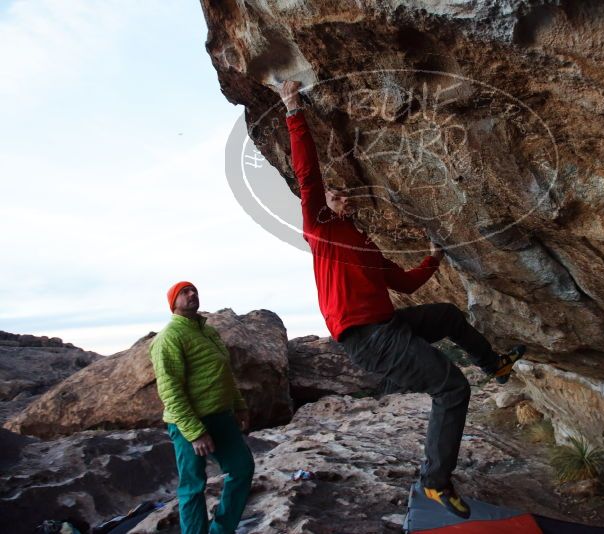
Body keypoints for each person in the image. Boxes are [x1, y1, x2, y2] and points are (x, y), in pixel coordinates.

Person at [275, 80, 525, 519]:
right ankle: (434, 482)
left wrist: (432, 259)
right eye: (334, 194)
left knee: (446, 315)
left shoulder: (364, 244)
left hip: (389, 325)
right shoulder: (321, 230)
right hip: (366, 338)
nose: (341, 195)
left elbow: (404, 284)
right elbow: (308, 175)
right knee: (452, 387)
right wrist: (293, 109)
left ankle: (494, 364)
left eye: (344, 193)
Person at [149, 281, 254, 533]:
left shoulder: (208, 332)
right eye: (184, 292)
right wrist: (195, 432)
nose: (192, 294)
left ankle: (221, 529)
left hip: (221, 416)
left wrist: (239, 405)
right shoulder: (169, 337)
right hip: (188, 423)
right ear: (173, 303)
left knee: (242, 468)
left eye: (193, 290)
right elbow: (170, 390)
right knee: (193, 485)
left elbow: (224, 373)